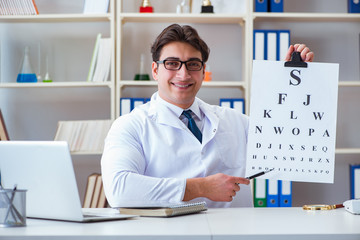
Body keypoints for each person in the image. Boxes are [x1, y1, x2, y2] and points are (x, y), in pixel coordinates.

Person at [101, 24, 314, 208]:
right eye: (172, 64)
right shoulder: (130, 126)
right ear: (155, 70)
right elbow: (119, 190)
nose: (183, 74)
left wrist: (293, 84)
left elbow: (294, 158)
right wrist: (201, 187)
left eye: (193, 64)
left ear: (203, 72)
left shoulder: (235, 121)